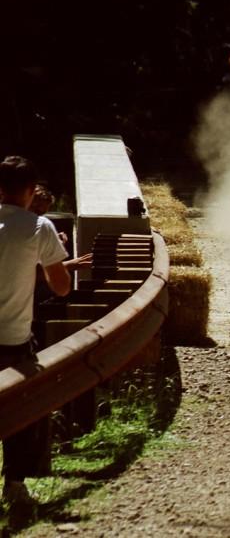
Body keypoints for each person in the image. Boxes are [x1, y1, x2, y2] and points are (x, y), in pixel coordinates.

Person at [0, 156, 71, 508]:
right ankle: (14, 484)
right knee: (24, 408)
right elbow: (61, 288)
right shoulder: (39, 227)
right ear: (31, 191)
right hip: (11, 339)